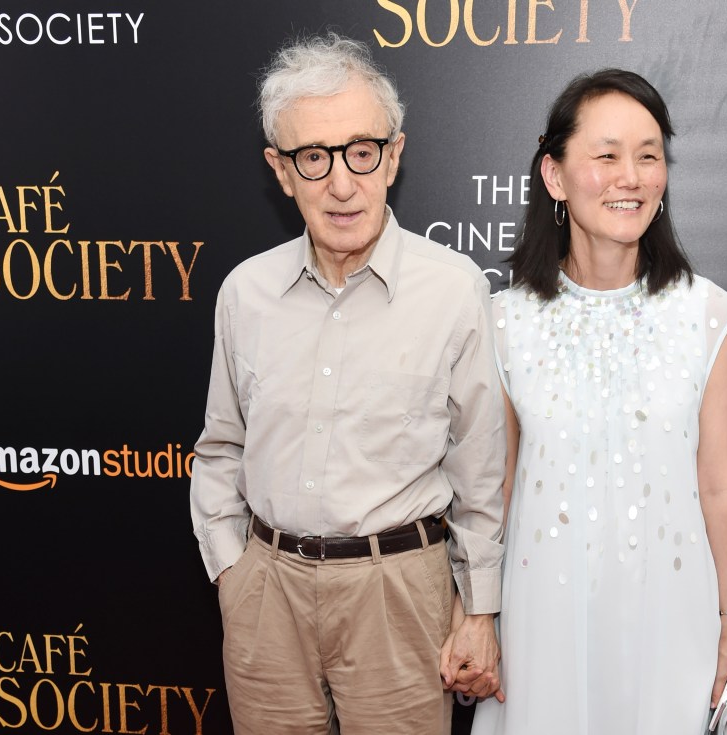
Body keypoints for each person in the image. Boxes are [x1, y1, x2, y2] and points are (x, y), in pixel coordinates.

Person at [189, 33, 506, 735]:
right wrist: (232, 574)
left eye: (362, 151)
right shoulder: (245, 293)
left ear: (393, 155)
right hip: (266, 593)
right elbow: (219, 448)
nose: (341, 183)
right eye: (314, 157)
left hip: (398, 597)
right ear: (281, 171)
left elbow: (482, 476)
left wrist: (480, 611)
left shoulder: (454, 291)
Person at [470, 69, 727, 734]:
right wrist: (477, 617)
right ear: (554, 174)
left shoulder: (705, 316)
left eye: (649, 155)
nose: (630, 177)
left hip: (671, 621)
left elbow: (719, 487)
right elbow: (496, 486)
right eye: (606, 156)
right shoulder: (501, 323)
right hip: (539, 618)